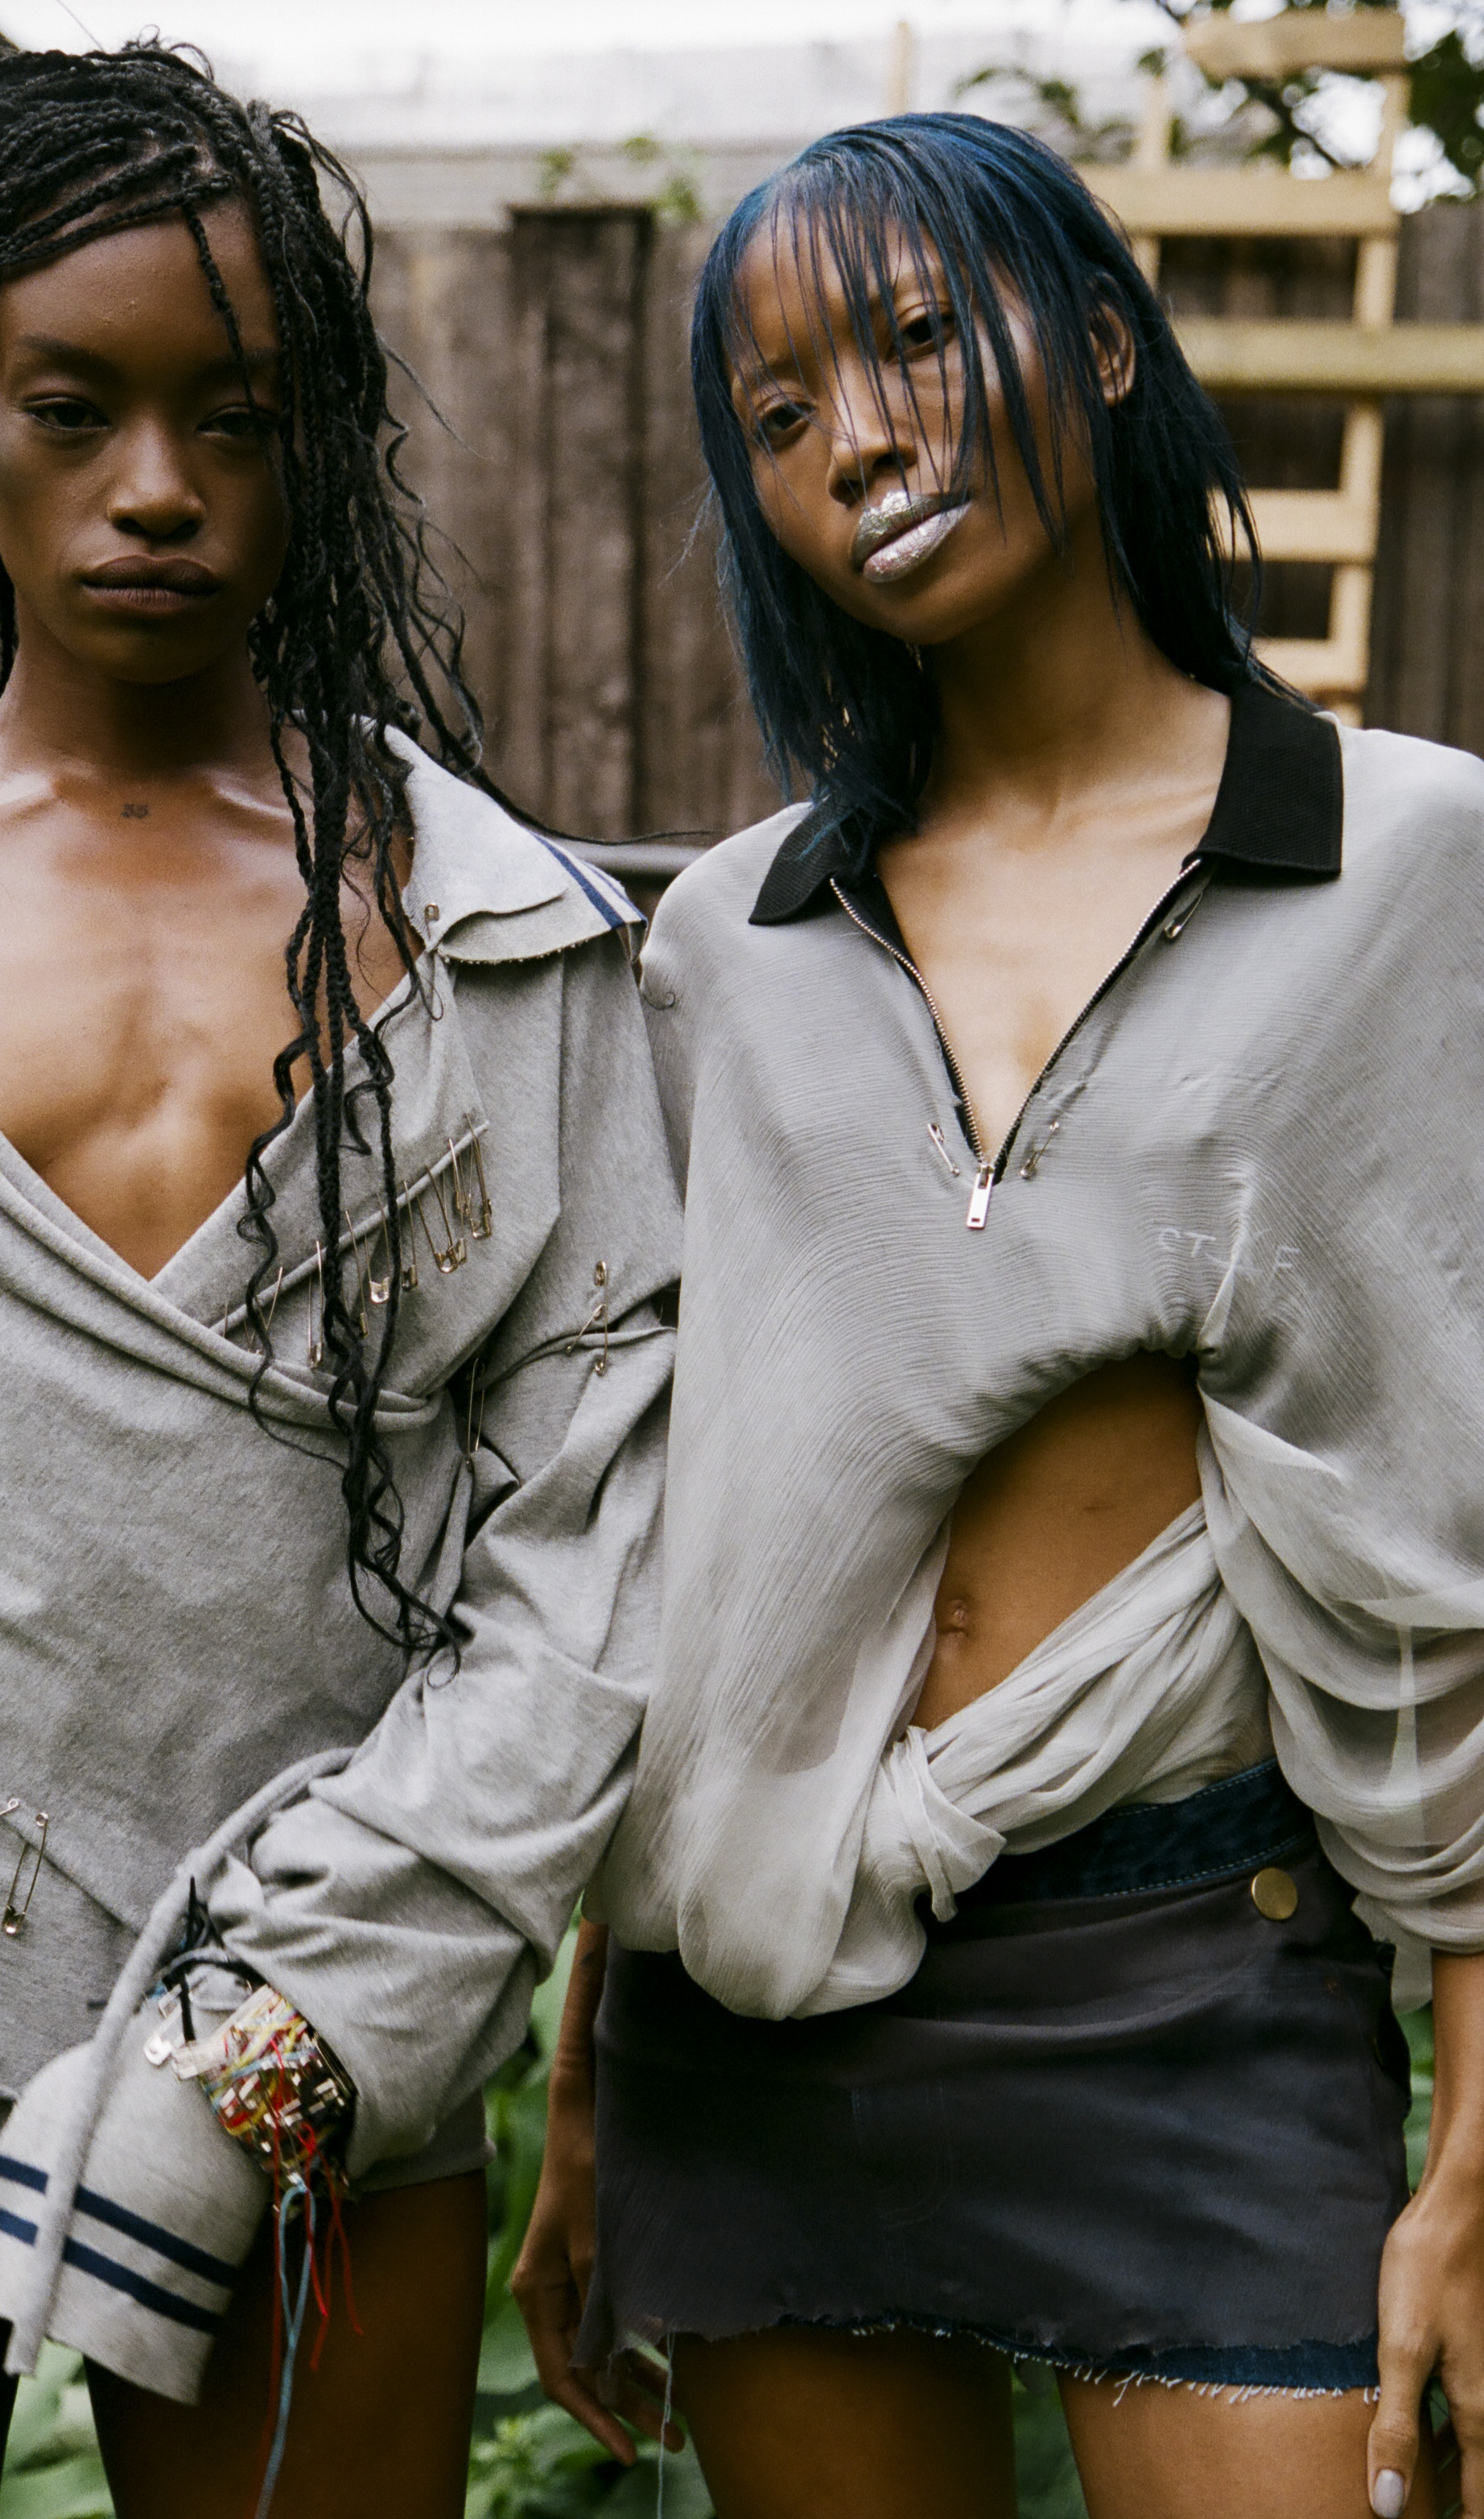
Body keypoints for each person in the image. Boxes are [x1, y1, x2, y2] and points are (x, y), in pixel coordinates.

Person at [514, 111, 1484, 2519]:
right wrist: (591, 2072)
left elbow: (1464, 1538)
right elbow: (683, 1526)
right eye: (780, 413)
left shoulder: (1404, 862)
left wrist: (1474, 2152)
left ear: (1108, 343)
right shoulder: (728, 943)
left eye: (922, 336)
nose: (859, 436)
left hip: (1191, 1963)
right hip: (758, 2003)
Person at [0, 41, 678, 2519]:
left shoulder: (494, 940)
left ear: (319, 448)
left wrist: (315, 2004)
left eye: (235, 417)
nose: (158, 487)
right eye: (73, 407)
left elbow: (598, 1542)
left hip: (312, 1986)